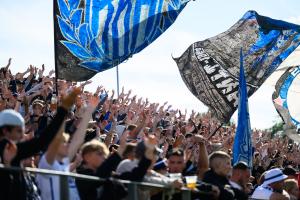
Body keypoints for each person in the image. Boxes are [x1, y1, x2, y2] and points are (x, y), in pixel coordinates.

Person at [0, 88, 79, 200]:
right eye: (18, 131)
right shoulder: (7, 147)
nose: (22, 136)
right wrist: (63, 109)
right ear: (5, 131)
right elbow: (42, 141)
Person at [37, 96, 98, 200]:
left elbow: (78, 139)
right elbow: (57, 132)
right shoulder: (46, 162)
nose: (67, 145)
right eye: (64, 142)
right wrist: (64, 106)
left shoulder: (64, 162)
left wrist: (88, 112)